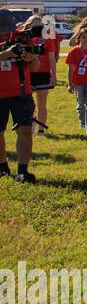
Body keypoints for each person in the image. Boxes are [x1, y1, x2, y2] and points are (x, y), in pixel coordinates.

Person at [0, 14, 41, 182]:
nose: (4, 34)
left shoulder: (23, 37)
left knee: (24, 130)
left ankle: (23, 170)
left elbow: (36, 67)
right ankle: (2, 165)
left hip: (21, 93)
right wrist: (7, 53)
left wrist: (30, 58)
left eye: (6, 31)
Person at [31, 15, 59, 137]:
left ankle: (41, 129)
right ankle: (30, 124)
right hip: (29, 73)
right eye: (34, 24)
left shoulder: (47, 38)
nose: (37, 27)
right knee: (28, 103)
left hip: (43, 73)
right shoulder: (25, 38)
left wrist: (54, 75)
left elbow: (52, 58)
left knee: (41, 102)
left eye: (39, 25)